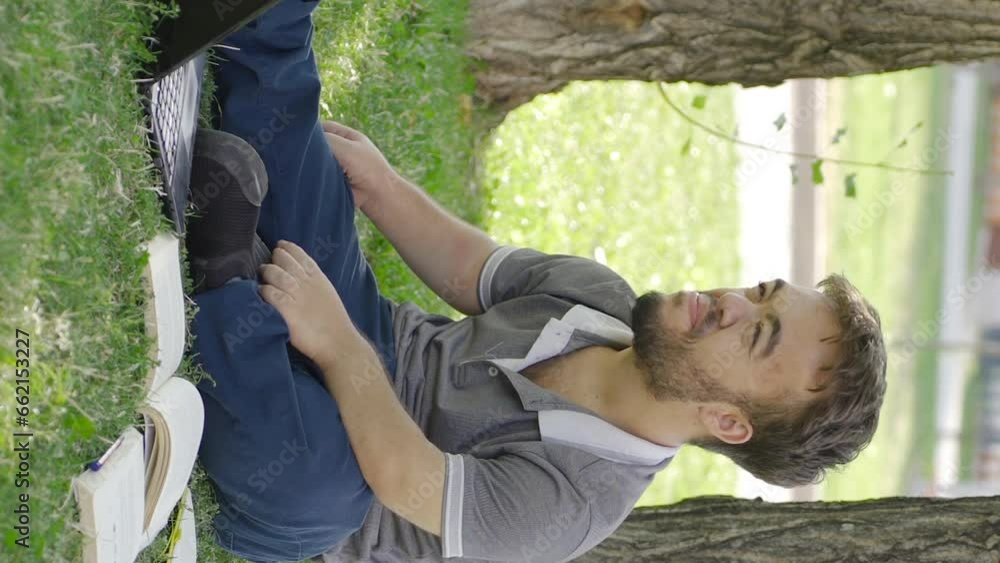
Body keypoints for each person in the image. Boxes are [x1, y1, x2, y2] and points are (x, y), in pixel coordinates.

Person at [185, 1, 888, 562]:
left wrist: (337, 344)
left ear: (729, 423)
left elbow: (404, 475)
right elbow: (472, 269)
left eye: (757, 334)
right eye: (760, 292)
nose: (731, 302)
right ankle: (260, 34)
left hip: (345, 469)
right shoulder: (604, 301)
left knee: (316, 491)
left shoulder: (572, 505)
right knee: (299, 146)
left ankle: (226, 270)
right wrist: (381, 188)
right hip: (363, 330)